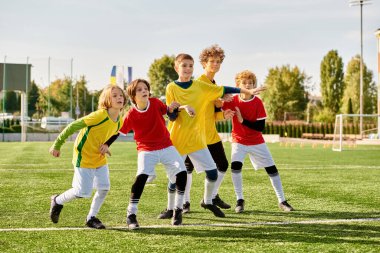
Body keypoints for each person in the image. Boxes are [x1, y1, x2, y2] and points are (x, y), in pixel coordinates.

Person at [161, 53, 265, 218]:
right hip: (178, 139)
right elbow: (172, 116)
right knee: (176, 177)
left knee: (213, 172)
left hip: (198, 140)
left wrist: (247, 90)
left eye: (190, 66)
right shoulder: (171, 88)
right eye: (184, 65)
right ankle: (170, 208)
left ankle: (208, 201)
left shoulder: (201, 86)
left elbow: (226, 90)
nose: (187, 69)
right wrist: (172, 109)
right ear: (176, 68)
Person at [104, 79, 192, 229]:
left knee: (182, 172)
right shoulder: (131, 114)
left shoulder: (156, 103)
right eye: (139, 90)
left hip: (166, 146)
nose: (144, 91)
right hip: (146, 150)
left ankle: (178, 210)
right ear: (133, 96)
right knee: (142, 177)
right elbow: (118, 132)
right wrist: (106, 144)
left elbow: (170, 111)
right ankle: (131, 214)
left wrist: (175, 108)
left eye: (145, 88)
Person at [49, 84, 127, 229]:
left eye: (121, 95)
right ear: (107, 100)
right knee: (82, 192)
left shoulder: (119, 120)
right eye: (114, 95)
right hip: (83, 156)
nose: (119, 98)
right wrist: (57, 144)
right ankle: (57, 200)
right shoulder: (99, 115)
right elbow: (73, 126)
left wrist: (107, 145)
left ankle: (91, 218)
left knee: (104, 188)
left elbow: (116, 132)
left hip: (99, 158)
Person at [222, 70, 294, 213]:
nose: (248, 85)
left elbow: (260, 127)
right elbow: (216, 105)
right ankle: (240, 200)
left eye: (251, 83)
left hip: (256, 141)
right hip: (238, 141)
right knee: (235, 167)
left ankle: (282, 201)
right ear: (238, 85)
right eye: (244, 83)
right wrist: (222, 99)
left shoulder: (258, 102)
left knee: (272, 169)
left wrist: (243, 121)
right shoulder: (233, 100)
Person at [180, 45, 234, 214]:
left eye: (218, 61)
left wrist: (223, 115)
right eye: (212, 61)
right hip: (195, 133)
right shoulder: (199, 83)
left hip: (210, 133)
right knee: (187, 168)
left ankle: (210, 198)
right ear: (203, 63)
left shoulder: (213, 84)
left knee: (223, 165)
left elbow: (211, 113)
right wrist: (219, 97)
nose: (215, 64)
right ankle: (185, 203)